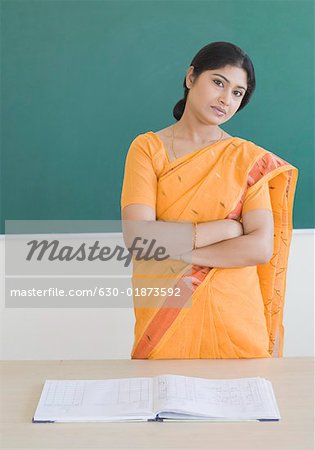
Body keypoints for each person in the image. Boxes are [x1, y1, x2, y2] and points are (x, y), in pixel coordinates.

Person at [120, 41, 298, 359]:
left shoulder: (248, 160)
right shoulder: (147, 149)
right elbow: (140, 238)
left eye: (237, 93)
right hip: (167, 313)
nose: (225, 99)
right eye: (218, 82)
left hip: (237, 322)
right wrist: (227, 230)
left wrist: (179, 252)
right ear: (191, 77)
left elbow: (260, 247)